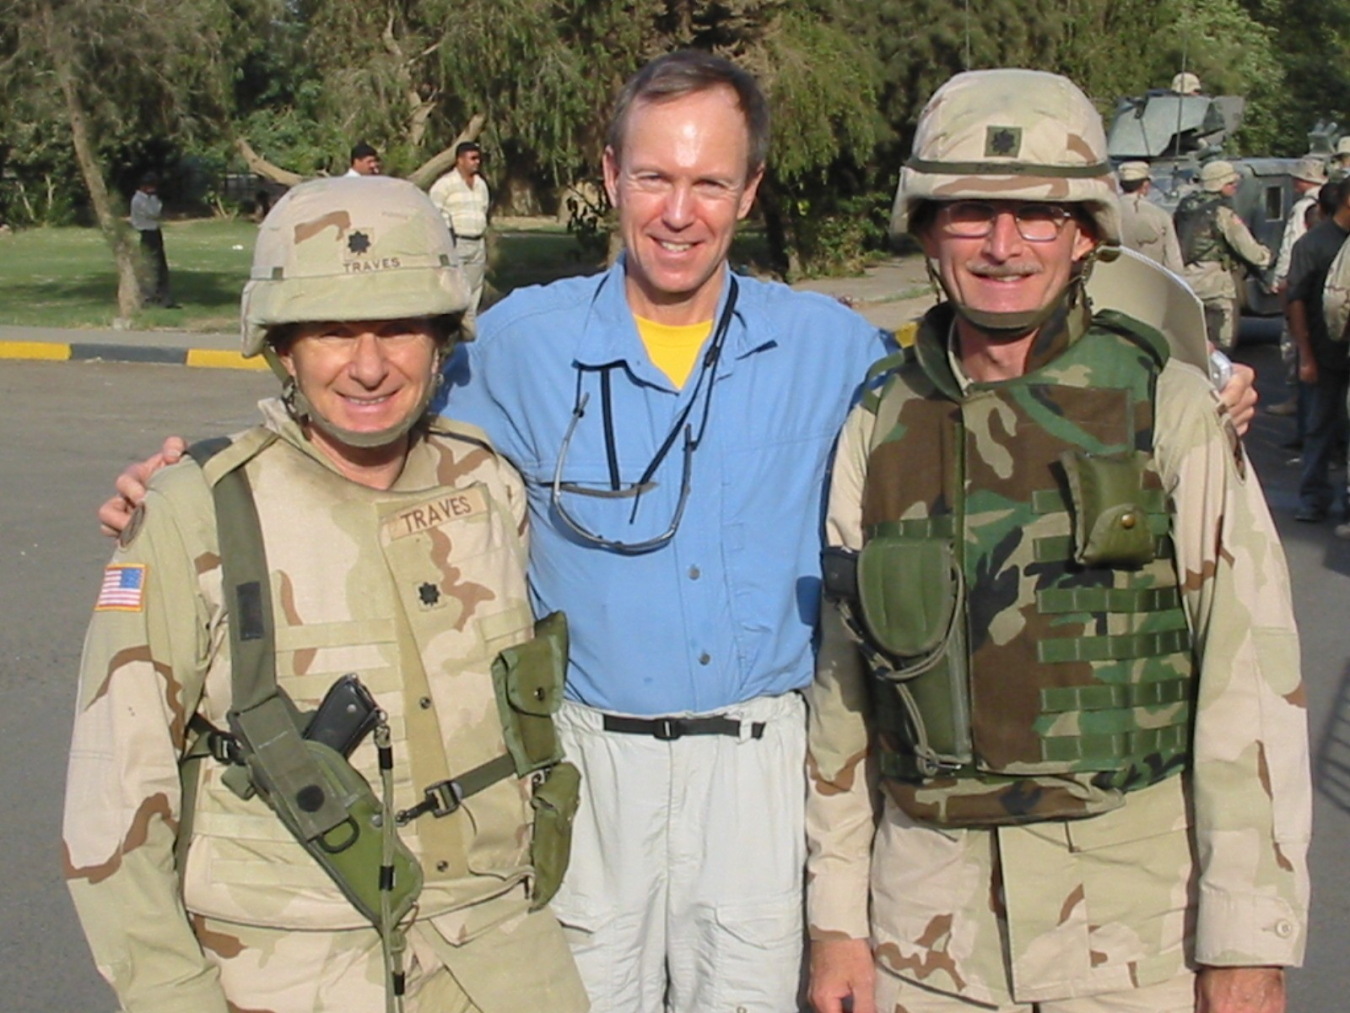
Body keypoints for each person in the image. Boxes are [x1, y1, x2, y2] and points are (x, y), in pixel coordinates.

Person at [96, 52, 1260, 1013]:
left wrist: (1205, 386)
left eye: (709, 183)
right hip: (588, 764)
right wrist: (190, 482)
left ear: (749, 192)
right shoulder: (516, 340)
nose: (679, 212)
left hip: (761, 765)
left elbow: (999, 367)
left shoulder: (836, 348)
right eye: (654, 177)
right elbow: (360, 396)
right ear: (611, 176)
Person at [806, 68, 1309, 1013]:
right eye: (970, 214)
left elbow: (1250, 675)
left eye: (1038, 215)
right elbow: (845, 690)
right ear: (924, 230)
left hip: (1134, 938)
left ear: (1085, 234)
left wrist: (1248, 940)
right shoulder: (879, 423)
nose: (1004, 246)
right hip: (927, 940)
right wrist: (836, 922)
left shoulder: (1166, 407)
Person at [64, 176, 588, 1013]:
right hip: (287, 965)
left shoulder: (488, 483)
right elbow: (112, 801)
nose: (370, 365)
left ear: (443, 338)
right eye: (335, 330)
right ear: (281, 347)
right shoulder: (197, 511)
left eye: (398, 327)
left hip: (495, 958)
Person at [1286, 176, 1350, 524]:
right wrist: (1306, 356)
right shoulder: (1314, 244)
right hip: (1324, 353)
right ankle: (1313, 498)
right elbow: (1295, 300)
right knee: (1319, 427)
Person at [1175, 159, 1272, 351]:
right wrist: (1267, 257)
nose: (1235, 186)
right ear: (1219, 185)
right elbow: (1247, 248)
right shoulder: (1222, 213)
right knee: (1222, 342)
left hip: (1185, 277)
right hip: (1214, 282)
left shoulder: (1186, 207)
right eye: (1230, 183)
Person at [1268, 156, 1327, 421]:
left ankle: (1296, 398)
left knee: (1292, 341)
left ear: (1303, 180)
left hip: (1298, 279)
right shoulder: (1326, 201)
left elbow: (1291, 246)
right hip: (1321, 278)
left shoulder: (1303, 207)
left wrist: (1280, 279)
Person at [429, 142, 491, 326]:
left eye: (478, 158)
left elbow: (483, 208)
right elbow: (434, 211)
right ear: (459, 160)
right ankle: (451, 326)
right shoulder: (445, 184)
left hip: (477, 243)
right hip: (457, 242)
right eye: (472, 158)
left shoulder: (480, 184)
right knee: (455, 286)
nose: (476, 162)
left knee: (474, 288)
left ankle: (469, 327)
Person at [1117, 161, 1184, 273]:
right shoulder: (1159, 215)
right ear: (1145, 184)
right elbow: (1173, 260)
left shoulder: (1107, 212)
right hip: (1150, 280)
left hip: (1115, 278)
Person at [130, 172, 177, 308]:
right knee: (150, 264)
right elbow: (154, 212)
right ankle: (148, 295)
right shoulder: (139, 200)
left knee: (161, 265)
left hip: (155, 231)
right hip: (146, 232)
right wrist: (155, 202)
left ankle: (162, 295)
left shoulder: (152, 198)